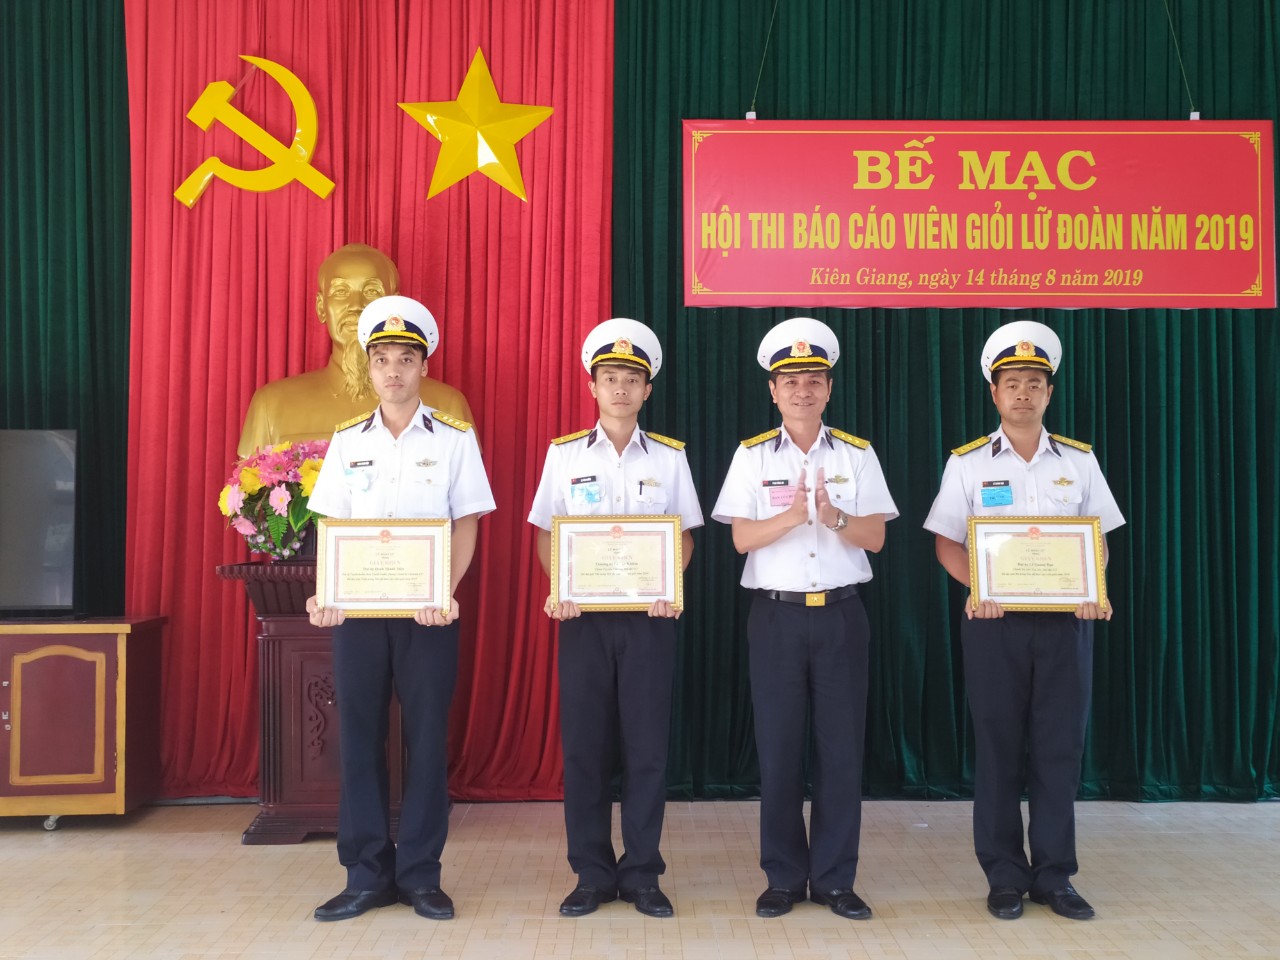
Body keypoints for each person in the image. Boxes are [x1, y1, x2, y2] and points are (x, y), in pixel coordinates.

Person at [923, 319, 1124, 922]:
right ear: (994, 392)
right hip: (995, 624)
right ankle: (1005, 876)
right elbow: (945, 542)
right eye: (1012, 383)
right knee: (999, 751)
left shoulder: (1079, 462)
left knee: (1060, 751)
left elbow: (1098, 539)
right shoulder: (968, 463)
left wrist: (1092, 587)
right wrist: (978, 587)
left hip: (1066, 625)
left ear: (1049, 392)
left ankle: (1056, 877)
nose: (1023, 393)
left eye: (1035, 383)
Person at [304, 295, 495, 922]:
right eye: (382, 359)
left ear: (424, 366)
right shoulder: (347, 441)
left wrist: (446, 591)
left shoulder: (454, 440)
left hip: (427, 616)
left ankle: (420, 875)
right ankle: (364, 875)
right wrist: (327, 592)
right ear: (369, 367)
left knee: (427, 740)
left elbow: (466, 523)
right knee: (358, 740)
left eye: (405, 359)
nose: (393, 371)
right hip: (359, 616)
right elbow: (331, 524)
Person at [711, 317, 897, 921]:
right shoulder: (750, 456)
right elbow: (740, 539)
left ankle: (837, 880)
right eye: (790, 381)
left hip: (842, 616)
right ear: (772, 391)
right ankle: (784, 878)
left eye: (814, 379)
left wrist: (833, 515)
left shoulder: (857, 455)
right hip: (777, 618)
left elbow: (876, 538)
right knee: (780, 750)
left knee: (841, 753)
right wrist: (792, 518)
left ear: (829, 387)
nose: (802, 390)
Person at [528, 318, 703, 919]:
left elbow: (684, 537)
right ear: (593, 386)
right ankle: (591, 874)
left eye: (632, 378)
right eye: (610, 378)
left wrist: (669, 584)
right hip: (584, 620)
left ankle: (643, 874)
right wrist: (560, 587)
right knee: (585, 750)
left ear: (647, 389)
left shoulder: (671, 459)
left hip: (649, 620)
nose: (621, 388)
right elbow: (547, 532)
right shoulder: (564, 455)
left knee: (647, 749)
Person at [237, 243, 471, 457]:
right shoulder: (272, 405)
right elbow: (252, 486)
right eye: (340, 292)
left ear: (393, 304)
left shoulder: (447, 406)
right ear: (321, 307)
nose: (356, 306)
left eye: (371, 292)